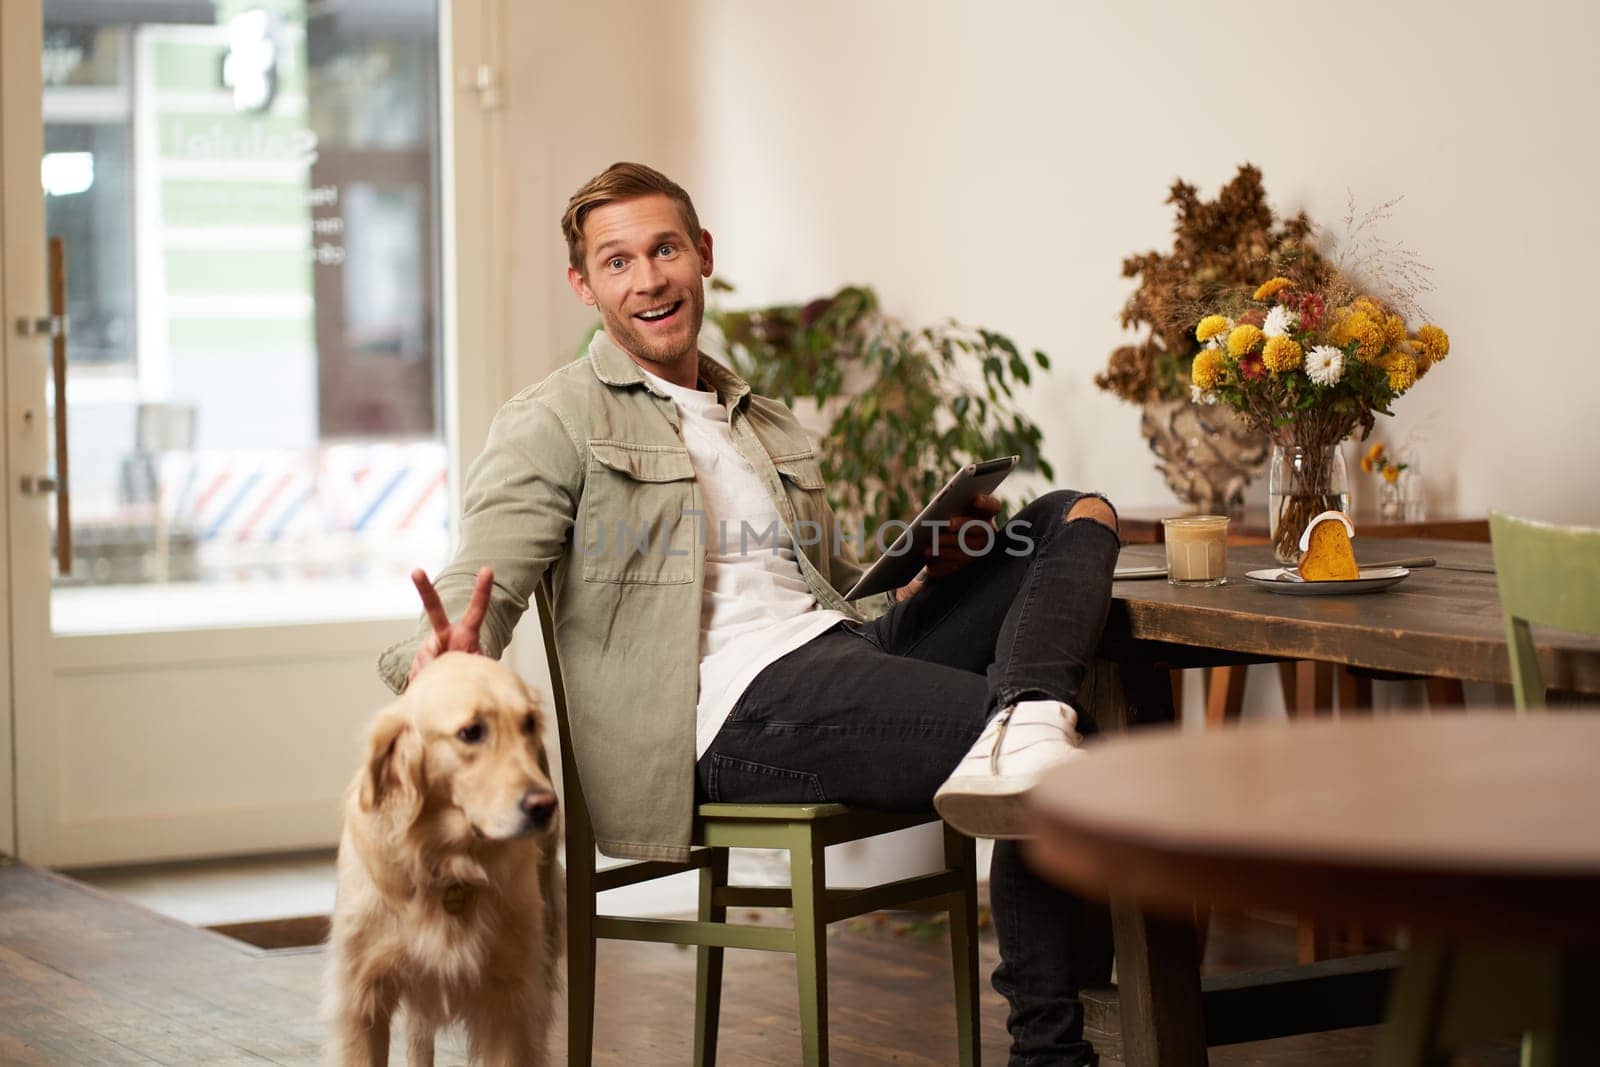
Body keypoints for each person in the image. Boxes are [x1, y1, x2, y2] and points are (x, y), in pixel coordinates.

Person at [378, 161, 1121, 1066]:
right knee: (1044, 758)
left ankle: (1031, 713)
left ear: (703, 255)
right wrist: (446, 653)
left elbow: (805, 583)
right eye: (617, 262)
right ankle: (1051, 1050)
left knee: (1068, 516)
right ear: (584, 284)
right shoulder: (556, 420)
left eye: (665, 249)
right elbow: (480, 577)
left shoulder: (757, 417)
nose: (647, 278)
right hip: (725, 713)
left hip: (833, 647)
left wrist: (921, 563)